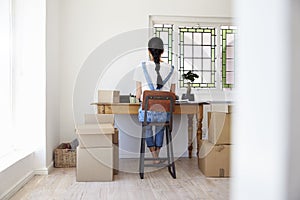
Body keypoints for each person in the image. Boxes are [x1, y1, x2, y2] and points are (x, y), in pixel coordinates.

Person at [133, 37, 178, 163]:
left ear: (149, 51)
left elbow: (138, 95)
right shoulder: (172, 69)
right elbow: (172, 94)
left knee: (147, 126)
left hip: (148, 113)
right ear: (162, 51)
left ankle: (154, 155)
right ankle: (156, 154)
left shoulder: (140, 67)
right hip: (164, 113)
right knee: (160, 126)